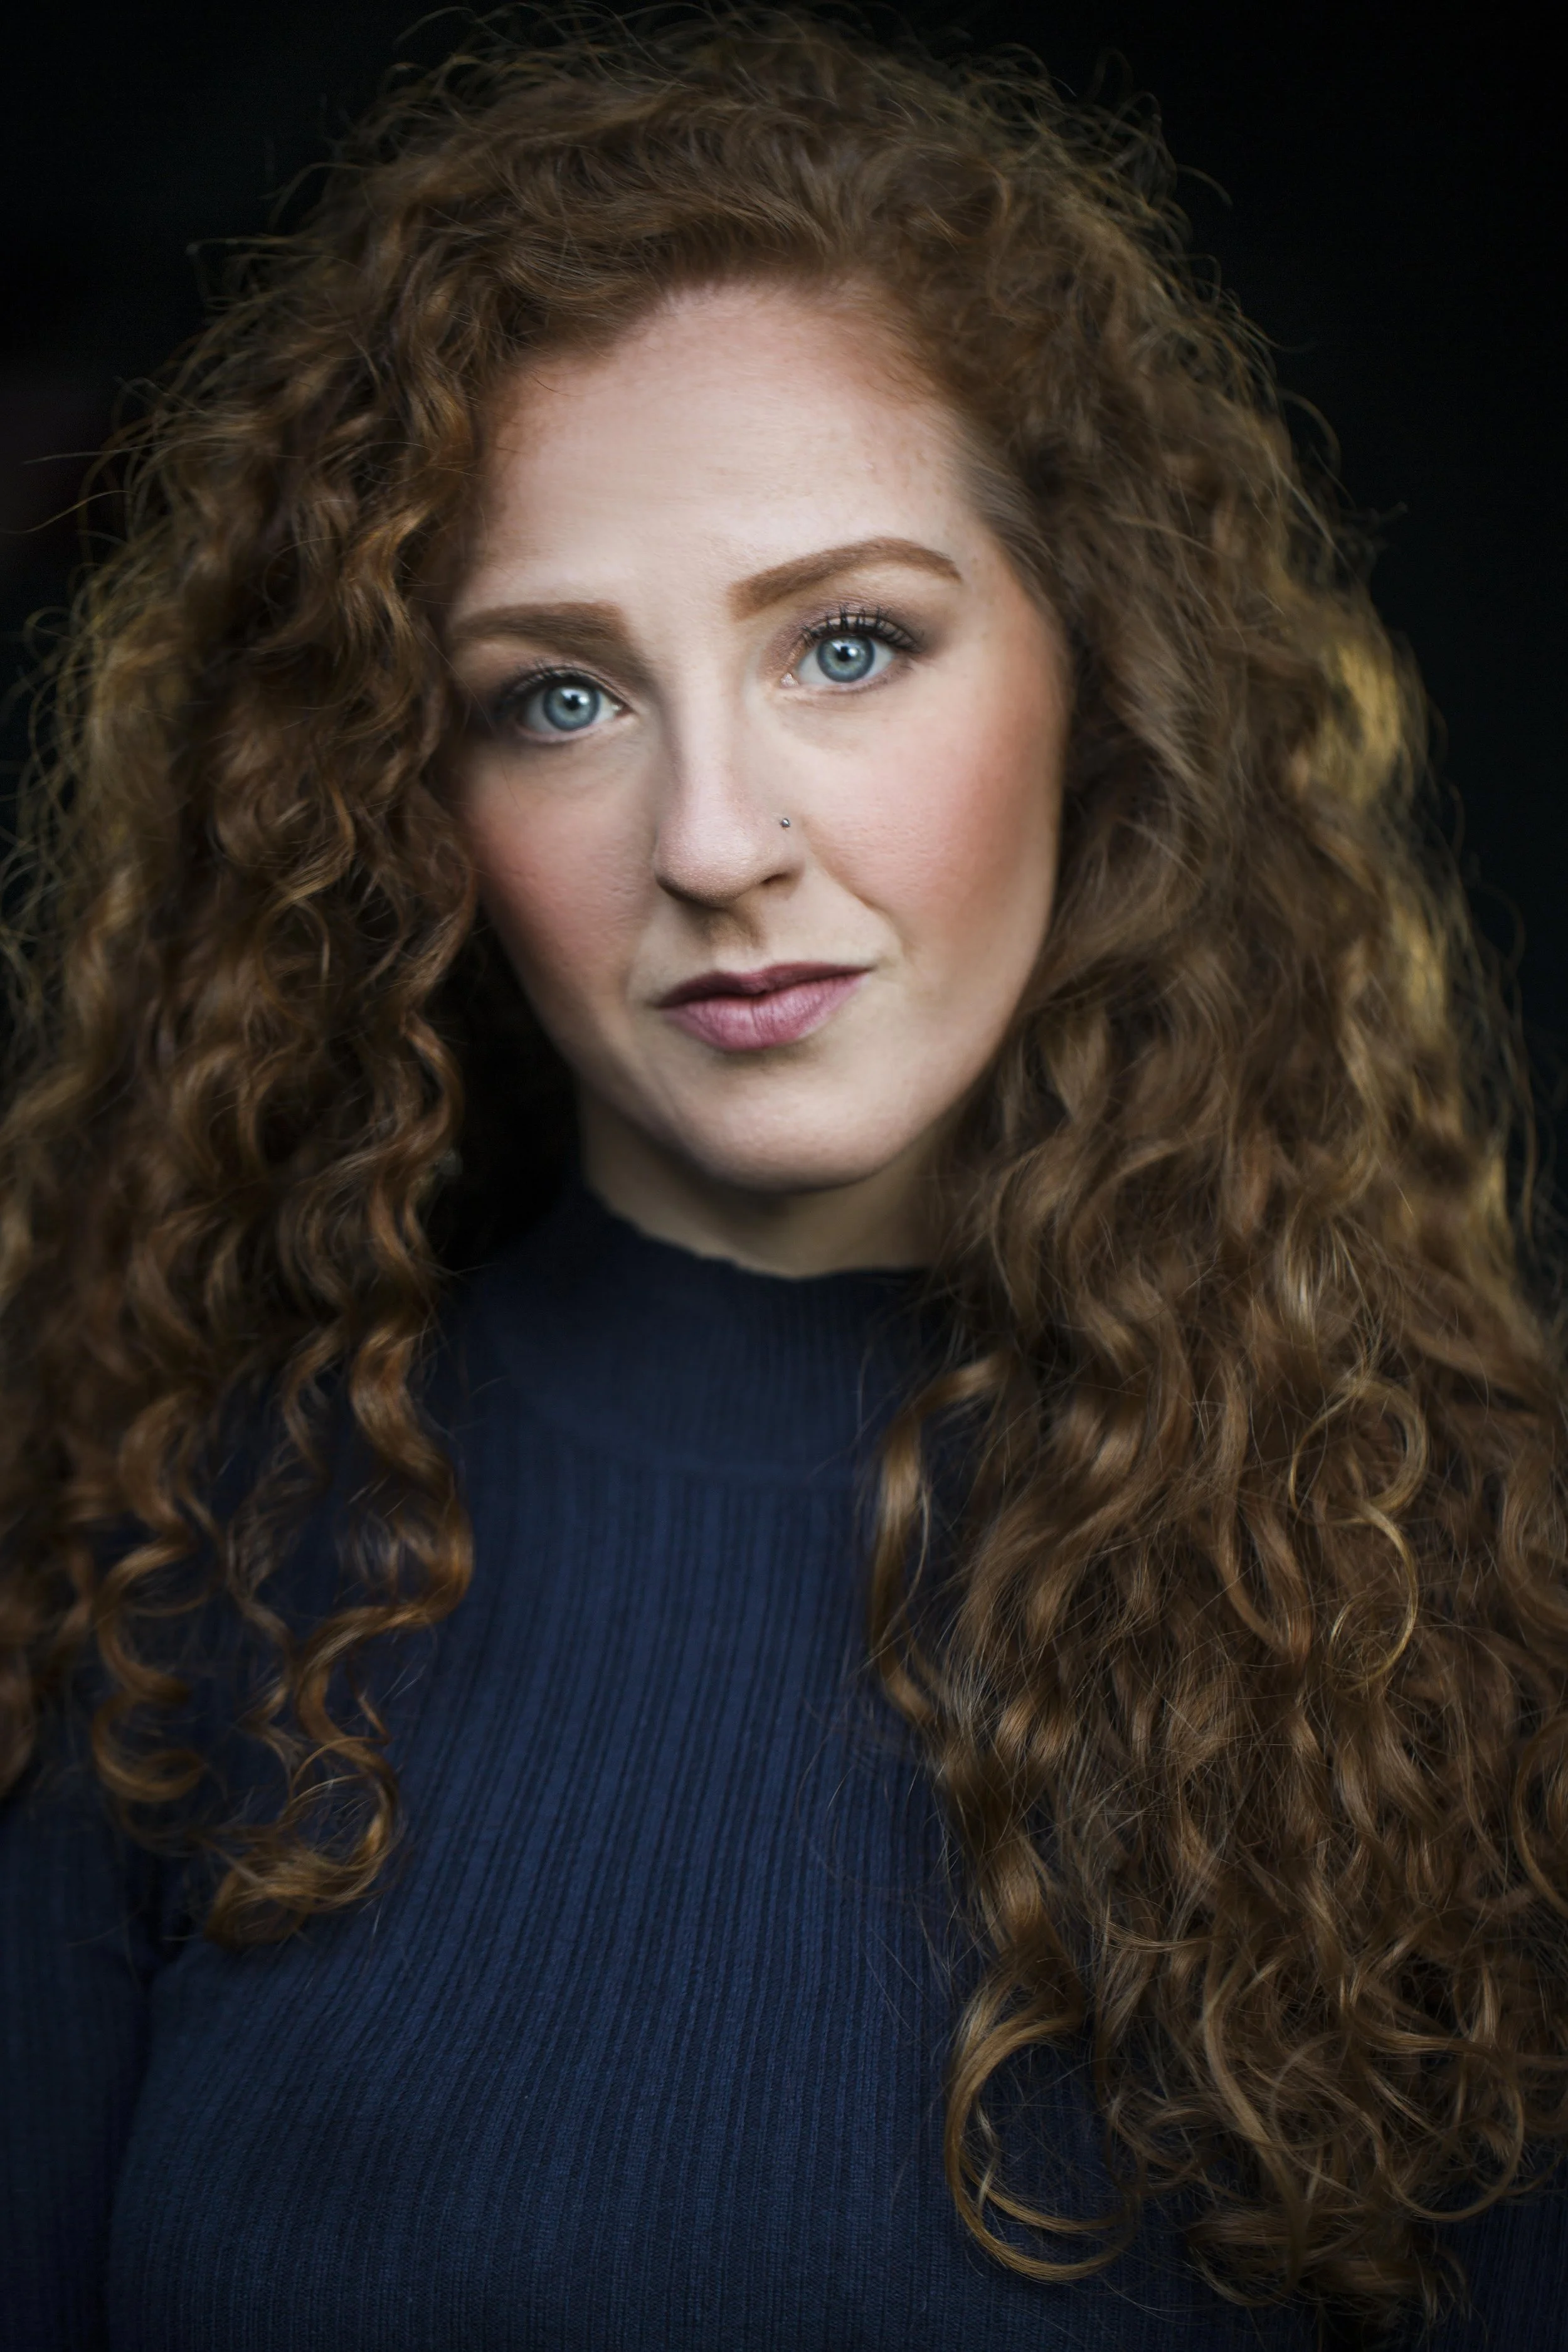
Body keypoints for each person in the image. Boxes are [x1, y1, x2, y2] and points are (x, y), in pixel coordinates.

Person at [3, 13, 1565, 2347]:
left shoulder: (1468, 1618)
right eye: (560, 693)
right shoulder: (172, 1560)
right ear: (410, 799)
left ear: (1099, 678)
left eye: (848, 643)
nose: (717, 841)